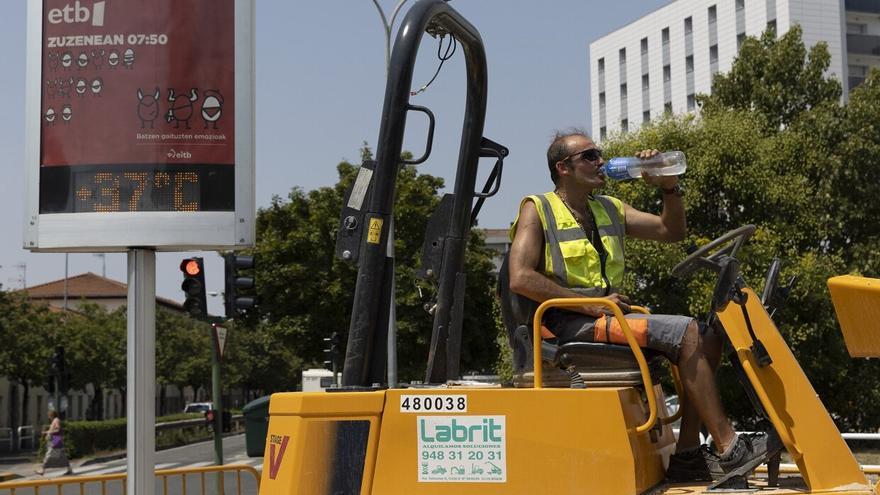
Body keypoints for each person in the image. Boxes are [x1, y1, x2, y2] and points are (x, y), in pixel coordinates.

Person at [506, 129, 779, 482]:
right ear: (564, 168)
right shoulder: (537, 209)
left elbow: (671, 231)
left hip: (608, 317)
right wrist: (592, 304)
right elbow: (520, 278)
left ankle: (687, 455)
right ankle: (730, 449)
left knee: (710, 333)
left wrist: (668, 186)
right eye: (589, 156)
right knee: (687, 332)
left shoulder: (609, 208)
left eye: (599, 153)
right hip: (565, 324)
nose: (600, 161)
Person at [36, 409, 73, 476]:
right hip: (55, 439)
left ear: (51, 415)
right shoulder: (55, 420)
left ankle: (42, 470)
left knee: (49, 454)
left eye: (49, 415)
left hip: (55, 440)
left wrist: (47, 432)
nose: (48, 417)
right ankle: (69, 469)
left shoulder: (56, 420)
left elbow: (58, 429)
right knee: (62, 456)